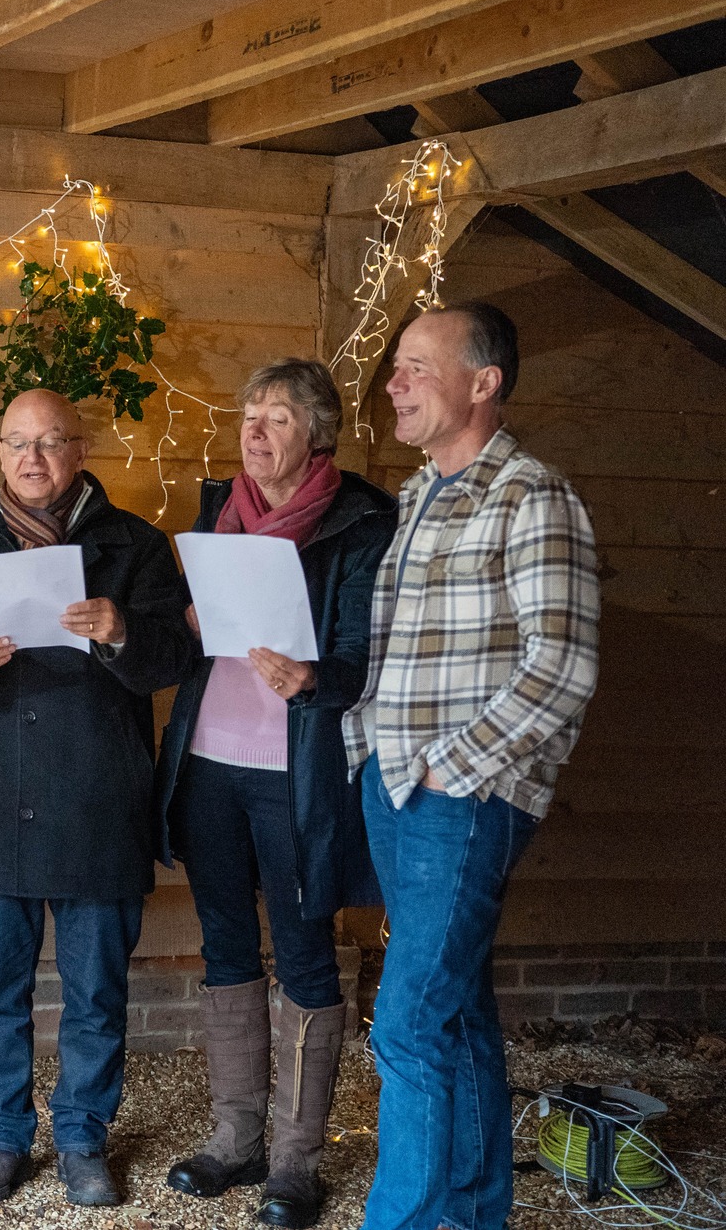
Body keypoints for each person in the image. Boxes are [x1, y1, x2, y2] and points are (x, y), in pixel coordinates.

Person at [347, 303, 600, 1230]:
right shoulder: (416, 497)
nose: (393, 384)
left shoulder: (532, 497)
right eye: (396, 368)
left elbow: (562, 663)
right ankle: (470, 1212)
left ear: (483, 382)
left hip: (463, 793)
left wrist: (457, 767)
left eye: (416, 366)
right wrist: (366, 749)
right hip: (395, 783)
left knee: (409, 1021)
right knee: (453, 1014)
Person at [0, 387, 194, 1208]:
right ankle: (3, 1137)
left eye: (51, 442)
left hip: (97, 798)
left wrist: (121, 632)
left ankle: (81, 1135)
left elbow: (174, 656)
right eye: (18, 443)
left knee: (96, 990)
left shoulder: (133, 544)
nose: (33, 458)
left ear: (79, 450)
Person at [155, 358, 394, 1229]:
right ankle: (234, 1138)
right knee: (225, 946)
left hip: (296, 770)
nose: (256, 433)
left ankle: (295, 1160)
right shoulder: (217, 510)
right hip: (209, 761)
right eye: (250, 415)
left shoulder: (362, 521)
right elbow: (191, 637)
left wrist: (315, 676)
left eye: (279, 419)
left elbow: (373, 657)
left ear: (318, 435)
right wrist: (183, 621)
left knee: (301, 952)